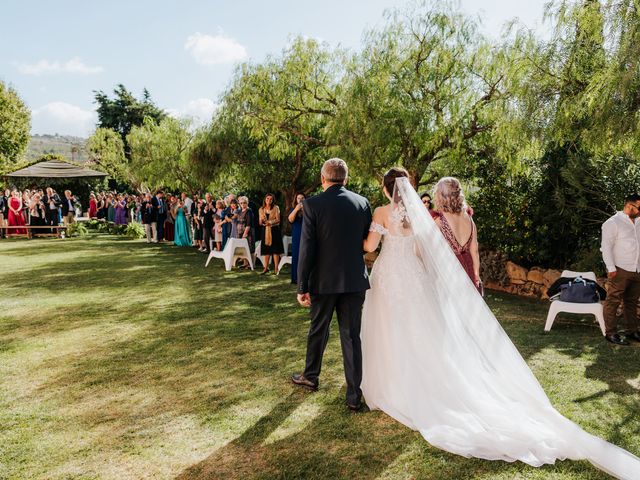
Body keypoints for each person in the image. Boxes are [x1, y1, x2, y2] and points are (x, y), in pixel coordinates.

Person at [359, 167, 640, 479]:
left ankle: (399, 382)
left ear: (386, 189)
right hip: (415, 277)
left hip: (391, 276)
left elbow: (371, 247)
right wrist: (465, 278)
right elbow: (430, 250)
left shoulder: (387, 212)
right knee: (421, 331)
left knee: (394, 330)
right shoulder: (423, 216)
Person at [291, 158, 372, 411]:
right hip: (353, 280)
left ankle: (311, 376)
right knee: (351, 336)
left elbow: (306, 250)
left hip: (323, 281)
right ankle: (353, 395)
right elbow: (364, 241)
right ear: (345, 179)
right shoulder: (362, 203)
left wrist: (301, 286)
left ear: (323, 178)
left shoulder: (312, 204)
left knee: (318, 329)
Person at [600, 193, 640, 346]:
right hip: (619, 270)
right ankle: (610, 333)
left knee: (631, 302)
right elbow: (606, 247)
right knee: (613, 301)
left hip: (637, 270)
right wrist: (611, 268)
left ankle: (632, 331)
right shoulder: (612, 223)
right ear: (630, 206)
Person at [430, 177, 481, 292]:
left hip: (449, 269)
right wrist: (476, 275)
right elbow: (475, 250)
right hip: (469, 267)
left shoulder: (439, 221)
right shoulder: (469, 219)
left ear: (440, 196)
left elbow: (429, 249)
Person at [258, 193, 285, 274]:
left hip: (274, 230)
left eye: (270, 199)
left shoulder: (276, 208)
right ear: (265, 199)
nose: (269, 200)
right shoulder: (261, 209)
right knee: (266, 250)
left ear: (272, 200)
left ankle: (276, 269)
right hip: (265, 231)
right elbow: (260, 221)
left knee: (275, 250)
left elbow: (278, 219)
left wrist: (270, 222)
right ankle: (266, 268)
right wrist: (262, 222)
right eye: (267, 199)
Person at [288, 193, 305, 284]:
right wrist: (297, 209)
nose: (300, 199)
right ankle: (295, 278)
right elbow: (290, 219)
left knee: (306, 255)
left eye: (302, 198)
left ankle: (306, 278)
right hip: (297, 234)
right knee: (296, 255)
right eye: (299, 198)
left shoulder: (308, 209)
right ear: (296, 199)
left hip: (306, 234)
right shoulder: (293, 209)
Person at [235, 196, 255, 268]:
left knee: (250, 247)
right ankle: (245, 263)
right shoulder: (240, 211)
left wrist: (245, 234)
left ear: (247, 203)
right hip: (240, 232)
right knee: (243, 248)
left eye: (244, 203)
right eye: (241, 203)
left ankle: (251, 264)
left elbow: (248, 224)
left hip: (247, 232)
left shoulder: (249, 211)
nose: (243, 204)